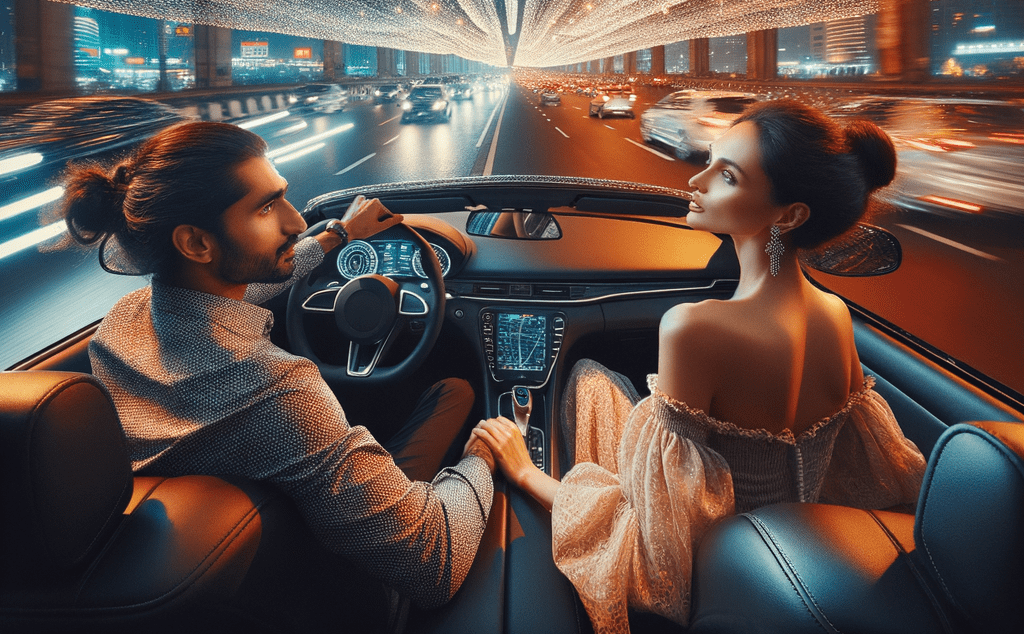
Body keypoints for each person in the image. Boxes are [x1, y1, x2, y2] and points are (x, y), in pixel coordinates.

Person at [472, 99, 927, 634]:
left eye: (727, 175)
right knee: (614, 388)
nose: (697, 178)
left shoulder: (694, 328)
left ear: (789, 214)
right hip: (786, 549)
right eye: (711, 159)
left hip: (709, 573)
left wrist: (525, 471)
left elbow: (659, 555)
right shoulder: (836, 315)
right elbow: (864, 477)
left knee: (588, 380)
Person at [61, 120, 495, 618]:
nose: (295, 221)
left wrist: (337, 236)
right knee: (457, 392)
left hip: (251, 578)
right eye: (266, 207)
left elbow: (237, 290)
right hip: (353, 593)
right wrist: (481, 460)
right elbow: (434, 563)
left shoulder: (122, 324)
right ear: (197, 244)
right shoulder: (279, 391)